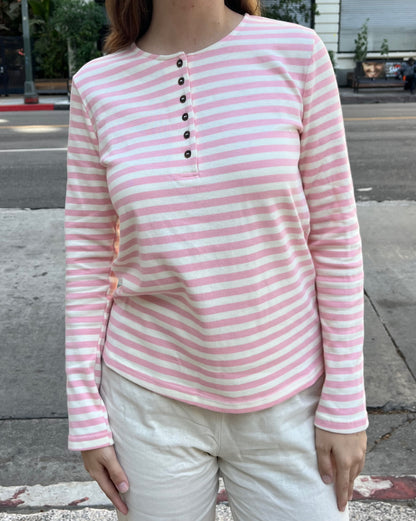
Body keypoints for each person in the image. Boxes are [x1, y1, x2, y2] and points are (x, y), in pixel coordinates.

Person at [65, 1, 368, 520]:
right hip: (148, 397)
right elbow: (89, 256)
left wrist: (345, 398)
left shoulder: (297, 54)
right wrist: (86, 412)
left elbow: (335, 239)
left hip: (290, 393)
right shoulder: (97, 85)